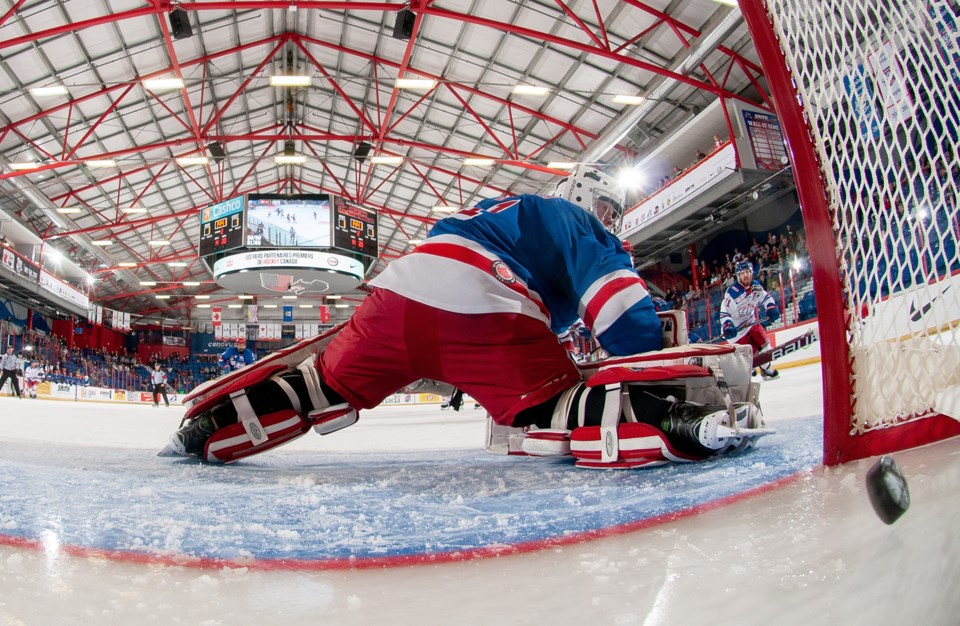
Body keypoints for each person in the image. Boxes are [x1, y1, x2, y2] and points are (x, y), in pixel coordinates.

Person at [165, 166, 760, 463]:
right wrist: (659, 361)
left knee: (322, 386)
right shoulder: (571, 219)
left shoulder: (502, 213)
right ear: (583, 196)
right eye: (607, 206)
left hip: (399, 294)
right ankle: (680, 424)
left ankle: (204, 431)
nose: (610, 217)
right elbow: (627, 325)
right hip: (484, 309)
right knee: (553, 409)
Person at [720, 261, 781, 380]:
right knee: (749, 356)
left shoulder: (756, 287)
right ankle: (751, 367)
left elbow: (766, 297)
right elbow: (724, 312)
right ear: (738, 276)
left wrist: (771, 307)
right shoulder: (733, 293)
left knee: (766, 346)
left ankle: (766, 370)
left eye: (747, 272)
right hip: (737, 331)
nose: (745, 275)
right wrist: (727, 325)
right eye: (742, 273)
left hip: (751, 322)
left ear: (751, 273)